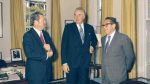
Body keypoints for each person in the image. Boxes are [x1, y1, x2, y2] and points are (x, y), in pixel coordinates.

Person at [61, 7, 97, 84]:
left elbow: (94, 40)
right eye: (75, 15)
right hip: (71, 64)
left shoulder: (89, 28)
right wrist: (64, 63)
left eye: (79, 15)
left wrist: (92, 46)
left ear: (83, 17)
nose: (76, 17)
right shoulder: (68, 28)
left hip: (84, 64)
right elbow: (63, 46)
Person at [23, 11, 56, 84]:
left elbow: (54, 53)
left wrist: (50, 49)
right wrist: (46, 55)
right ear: (36, 22)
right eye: (43, 20)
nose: (45, 22)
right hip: (35, 75)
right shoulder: (28, 35)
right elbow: (29, 54)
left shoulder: (46, 34)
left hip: (47, 74)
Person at [101, 17, 135, 84]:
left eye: (106, 25)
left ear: (113, 25)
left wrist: (124, 69)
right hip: (105, 77)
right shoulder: (103, 39)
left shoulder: (123, 38)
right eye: (103, 25)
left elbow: (130, 57)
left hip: (118, 77)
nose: (104, 27)